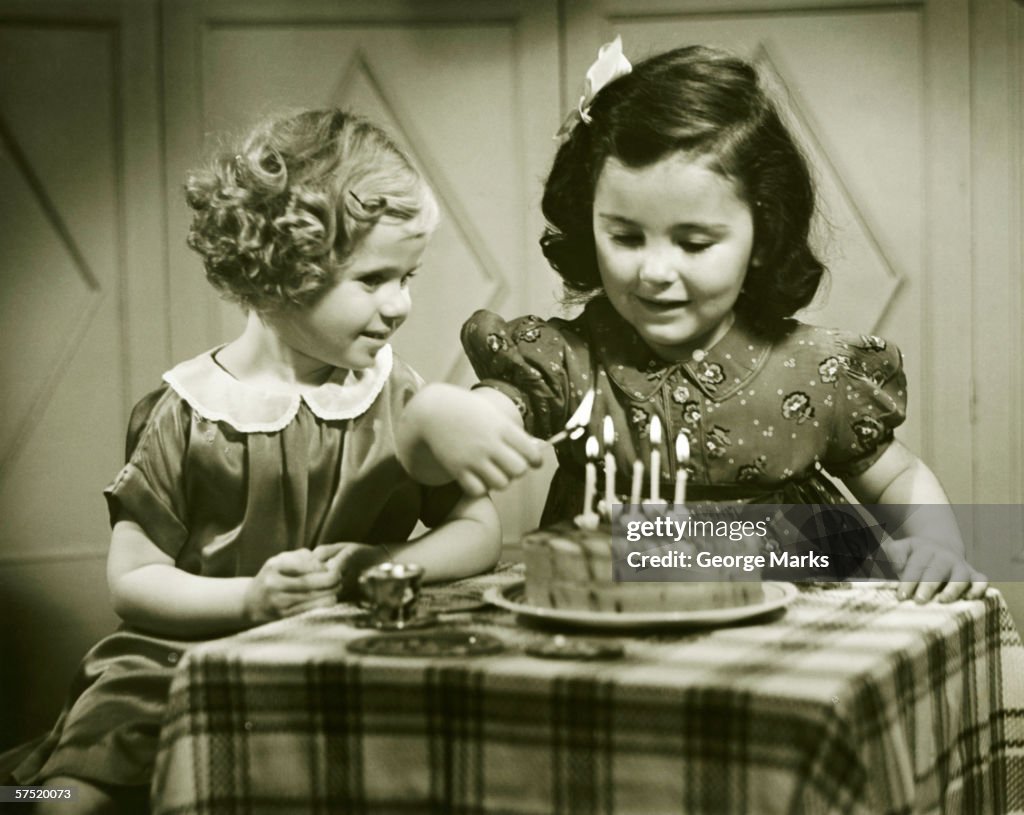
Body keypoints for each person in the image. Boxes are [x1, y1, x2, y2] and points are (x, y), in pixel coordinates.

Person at [1, 108, 500, 813]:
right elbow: (134, 578)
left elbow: (480, 529)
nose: (401, 305)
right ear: (280, 271)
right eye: (374, 279)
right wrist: (250, 600)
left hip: (338, 659)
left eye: (408, 276)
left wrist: (384, 563)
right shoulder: (186, 412)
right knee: (65, 800)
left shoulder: (399, 400)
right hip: (178, 662)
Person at [396, 42, 986, 604]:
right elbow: (481, 423)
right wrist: (439, 422)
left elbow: (897, 478)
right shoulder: (566, 360)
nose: (654, 271)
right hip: (615, 629)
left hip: (804, 627)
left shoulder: (821, 371)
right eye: (625, 236)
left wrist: (936, 543)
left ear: (762, 234)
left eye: (694, 242)